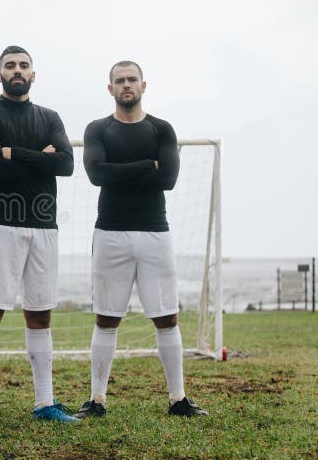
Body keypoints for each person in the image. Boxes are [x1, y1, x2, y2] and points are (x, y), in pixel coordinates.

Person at [76, 61, 208, 418]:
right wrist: (144, 166)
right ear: (110, 89)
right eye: (119, 81)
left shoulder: (161, 129)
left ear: (144, 85)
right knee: (106, 318)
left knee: (167, 317)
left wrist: (120, 171)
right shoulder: (98, 129)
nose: (126, 85)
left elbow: (167, 180)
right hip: (110, 233)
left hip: (155, 233)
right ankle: (97, 400)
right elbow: (94, 173)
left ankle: (178, 399)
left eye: (131, 79)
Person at [0, 46, 78, 425]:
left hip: (45, 225)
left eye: (24, 65)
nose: (18, 71)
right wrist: (38, 156)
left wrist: (15, 153)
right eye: (10, 66)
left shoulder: (50, 116)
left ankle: (44, 403)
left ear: (34, 74)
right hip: (1, 225)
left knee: (40, 313)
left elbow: (66, 164)